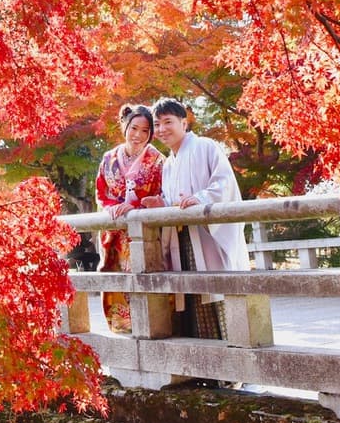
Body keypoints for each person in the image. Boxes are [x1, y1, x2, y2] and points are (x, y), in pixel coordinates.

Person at [139, 97, 243, 339]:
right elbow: (174, 198)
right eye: (158, 124)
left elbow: (224, 182)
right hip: (182, 237)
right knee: (192, 300)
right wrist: (162, 203)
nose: (162, 129)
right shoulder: (169, 164)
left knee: (213, 295)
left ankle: (228, 369)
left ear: (184, 123)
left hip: (206, 235)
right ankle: (206, 369)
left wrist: (201, 198)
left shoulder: (205, 146)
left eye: (168, 122)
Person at [94, 104, 165, 333]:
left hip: (142, 233)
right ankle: (121, 326)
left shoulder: (157, 160)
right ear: (125, 126)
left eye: (145, 131)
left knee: (144, 276)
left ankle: (150, 324)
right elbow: (101, 192)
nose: (138, 135)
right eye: (134, 128)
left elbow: (163, 194)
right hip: (114, 232)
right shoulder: (109, 158)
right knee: (113, 276)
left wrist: (133, 205)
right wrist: (112, 207)